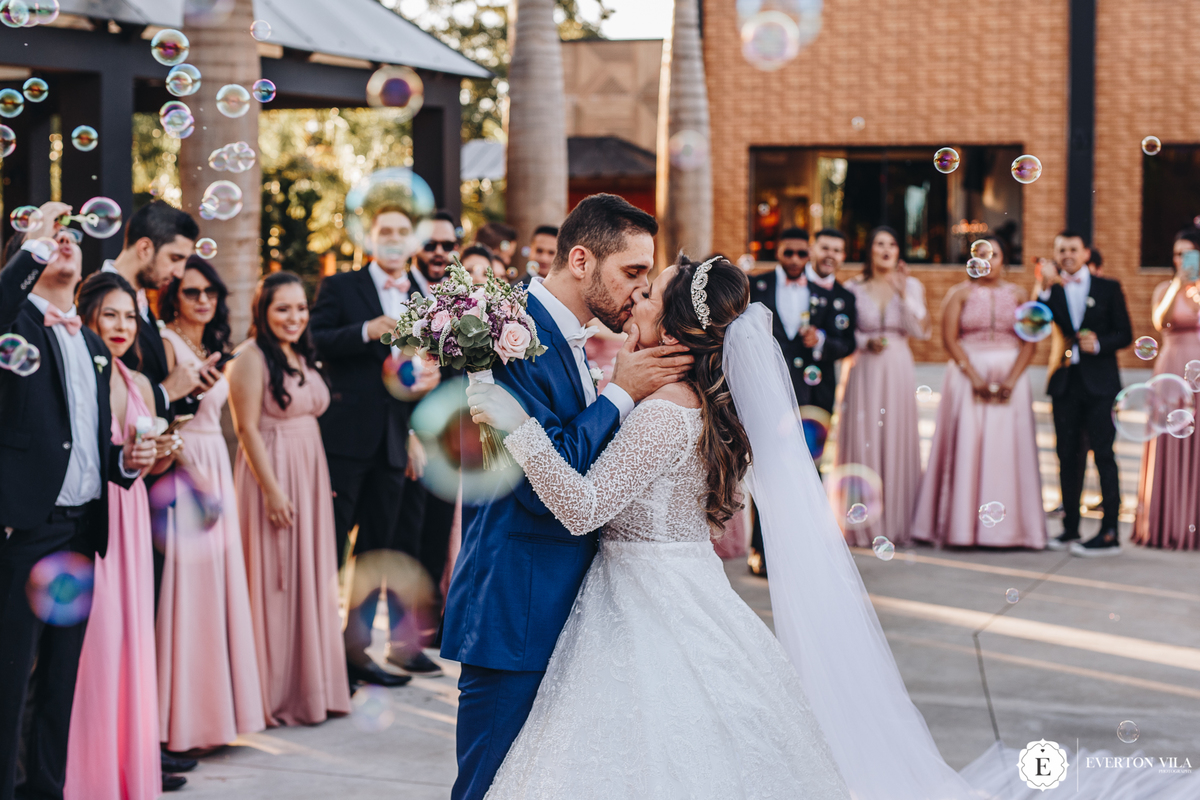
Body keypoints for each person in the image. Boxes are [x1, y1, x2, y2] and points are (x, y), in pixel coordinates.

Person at [465, 258, 1192, 800]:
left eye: (649, 292)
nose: (636, 298)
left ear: (681, 328)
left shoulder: (662, 411)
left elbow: (584, 507)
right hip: (674, 588)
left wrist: (518, 425)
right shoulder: (696, 403)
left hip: (645, 602)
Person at [441, 194, 693, 800]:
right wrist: (620, 395)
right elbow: (539, 481)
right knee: (488, 784)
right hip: (517, 604)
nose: (639, 293)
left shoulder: (576, 338)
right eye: (631, 272)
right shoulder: (502, 335)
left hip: (575, 609)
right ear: (580, 260)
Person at [0, 205, 156, 800]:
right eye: (49, 241)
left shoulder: (92, 346)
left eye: (69, 239)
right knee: (12, 680)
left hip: (80, 534)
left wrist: (126, 464)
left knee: (59, 683)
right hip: (24, 531)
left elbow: (90, 444)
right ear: (28, 256)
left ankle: (46, 790)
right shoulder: (14, 325)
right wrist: (36, 242)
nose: (65, 243)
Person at [311, 205, 441, 686]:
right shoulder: (341, 288)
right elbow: (316, 340)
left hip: (395, 441)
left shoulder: (426, 296)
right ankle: (319, 656)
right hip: (344, 440)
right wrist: (368, 329)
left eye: (402, 232)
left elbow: (424, 370)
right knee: (330, 551)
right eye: (384, 231)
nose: (393, 239)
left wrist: (425, 392)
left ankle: (358, 652)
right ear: (370, 239)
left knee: (377, 552)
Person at [66, 271, 180, 797]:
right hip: (94, 521)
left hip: (132, 520)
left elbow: (143, 470)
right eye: (110, 313)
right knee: (96, 647)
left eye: (130, 315)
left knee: (130, 642)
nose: (121, 325)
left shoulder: (138, 382)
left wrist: (159, 457)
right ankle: (86, 776)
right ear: (87, 313)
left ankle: (127, 770)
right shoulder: (80, 374)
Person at [228, 272, 351, 725]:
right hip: (272, 473)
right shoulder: (250, 358)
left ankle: (312, 688)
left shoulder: (300, 354)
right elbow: (245, 429)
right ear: (263, 311)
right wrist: (273, 490)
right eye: (283, 308)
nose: (294, 317)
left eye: (301, 308)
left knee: (311, 575)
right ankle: (272, 693)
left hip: (310, 470)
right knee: (276, 578)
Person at [156, 256, 265, 751]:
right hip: (184, 468)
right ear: (173, 296)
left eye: (210, 292)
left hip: (215, 465)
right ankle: (178, 725)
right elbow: (154, 414)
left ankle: (211, 719)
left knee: (215, 591)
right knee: (187, 595)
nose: (203, 300)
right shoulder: (163, 341)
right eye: (191, 291)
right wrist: (187, 468)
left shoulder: (212, 347)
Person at [911, 237, 1046, 548]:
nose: (988, 260)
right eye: (982, 255)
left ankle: (1013, 530)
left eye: (995, 254)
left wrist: (1012, 379)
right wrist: (973, 377)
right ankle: (962, 529)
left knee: (1008, 449)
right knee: (969, 444)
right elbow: (949, 339)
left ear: (1004, 259)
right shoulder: (958, 294)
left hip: (1012, 378)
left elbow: (1030, 341)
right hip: (966, 377)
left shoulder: (1019, 294)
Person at [746, 227, 857, 574]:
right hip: (770, 394)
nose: (795, 260)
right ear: (777, 252)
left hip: (814, 396)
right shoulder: (756, 286)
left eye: (801, 254)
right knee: (768, 471)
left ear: (808, 255)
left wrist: (821, 340)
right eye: (788, 253)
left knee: (810, 471)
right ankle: (762, 551)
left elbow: (848, 342)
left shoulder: (833, 295)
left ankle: (805, 550)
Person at [835, 225, 931, 547]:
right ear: (870, 250)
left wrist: (903, 292)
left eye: (892, 244)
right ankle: (859, 522)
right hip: (863, 369)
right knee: (863, 439)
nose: (886, 249)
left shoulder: (912, 285)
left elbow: (921, 331)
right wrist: (863, 340)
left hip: (898, 368)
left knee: (895, 435)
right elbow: (844, 334)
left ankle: (899, 521)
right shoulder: (852, 287)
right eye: (879, 244)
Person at [1039, 230, 1133, 556]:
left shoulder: (1109, 288)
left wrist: (1101, 343)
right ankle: (1070, 528)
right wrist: (1044, 289)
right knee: (1067, 456)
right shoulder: (1050, 291)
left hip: (1101, 384)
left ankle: (1109, 532)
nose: (1067, 254)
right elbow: (1034, 323)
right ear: (1055, 254)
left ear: (1085, 252)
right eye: (1061, 249)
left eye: (1073, 249)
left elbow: (1125, 334)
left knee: (1104, 455)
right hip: (1066, 383)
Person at [99, 200, 218, 422]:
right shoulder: (95, 299)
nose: (180, 273)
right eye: (175, 258)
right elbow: (101, 390)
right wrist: (165, 392)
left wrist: (190, 391)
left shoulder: (143, 304)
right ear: (145, 248)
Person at [1133, 228, 1200, 550]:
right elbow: (1160, 322)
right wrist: (1179, 283)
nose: (1180, 259)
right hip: (1172, 371)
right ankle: (1166, 525)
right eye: (1177, 253)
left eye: (1188, 253)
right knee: (1168, 442)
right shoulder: (1164, 288)